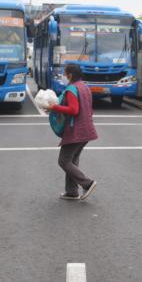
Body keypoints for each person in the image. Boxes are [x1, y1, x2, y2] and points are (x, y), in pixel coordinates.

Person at [47, 63, 98, 200]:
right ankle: (72, 192)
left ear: (70, 74)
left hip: (76, 131)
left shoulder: (71, 89)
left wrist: (55, 107)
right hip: (87, 129)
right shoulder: (85, 87)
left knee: (63, 161)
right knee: (72, 160)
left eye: (65, 73)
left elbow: (74, 110)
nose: (64, 76)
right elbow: (89, 109)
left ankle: (87, 183)